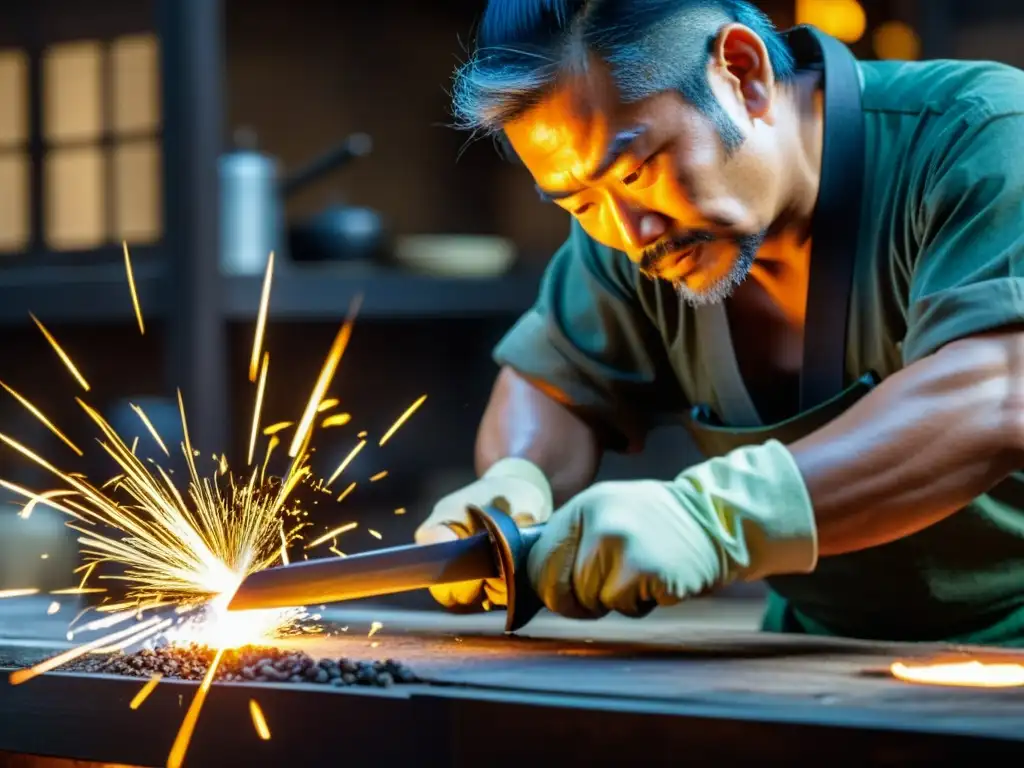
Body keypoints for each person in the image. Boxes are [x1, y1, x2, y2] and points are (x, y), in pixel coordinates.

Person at [415, 0, 1024, 647]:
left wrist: (716, 521)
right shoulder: (633, 229)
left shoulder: (983, 133)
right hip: (813, 653)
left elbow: (996, 394)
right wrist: (515, 484)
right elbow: (554, 383)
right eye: (581, 201)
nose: (628, 233)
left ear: (742, 73)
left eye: (635, 169)